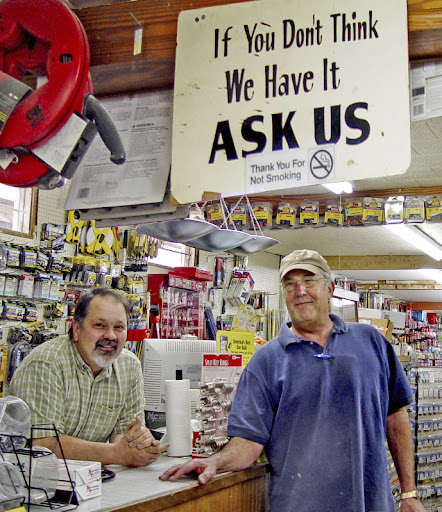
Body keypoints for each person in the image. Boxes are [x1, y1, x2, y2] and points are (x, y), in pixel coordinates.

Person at [160, 249, 425, 512]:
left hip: (372, 504)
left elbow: (396, 417)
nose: (300, 291)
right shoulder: (265, 361)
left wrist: (409, 492)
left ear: (330, 288)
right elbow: (248, 442)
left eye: (309, 280)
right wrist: (216, 461)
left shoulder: (371, 342)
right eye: (290, 284)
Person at [10, 287, 168, 467]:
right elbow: (44, 444)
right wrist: (117, 454)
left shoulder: (129, 366)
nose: (110, 335)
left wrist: (138, 445)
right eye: (99, 325)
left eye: (118, 327)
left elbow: (124, 436)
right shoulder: (45, 364)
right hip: (33, 477)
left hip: (92, 476)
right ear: (76, 330)